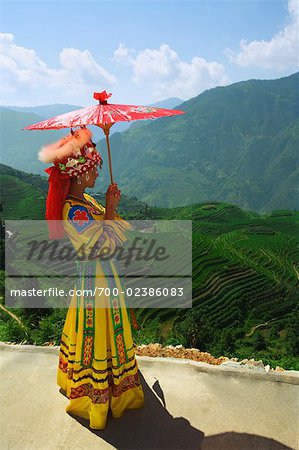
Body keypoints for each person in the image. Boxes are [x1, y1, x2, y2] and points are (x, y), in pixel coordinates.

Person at [38, 127, 145, 430]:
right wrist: (109, 209)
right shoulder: (73, 211)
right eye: (93, 170)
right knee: (98, 332)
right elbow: (100, 246)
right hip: (96, 280)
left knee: (103, 332)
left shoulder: (86, 203)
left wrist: (110, 207)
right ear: (79, 174)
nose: (97, 175)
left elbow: (114, 233)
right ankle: (97, 395)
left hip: (104, 277)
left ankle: (109, 387)